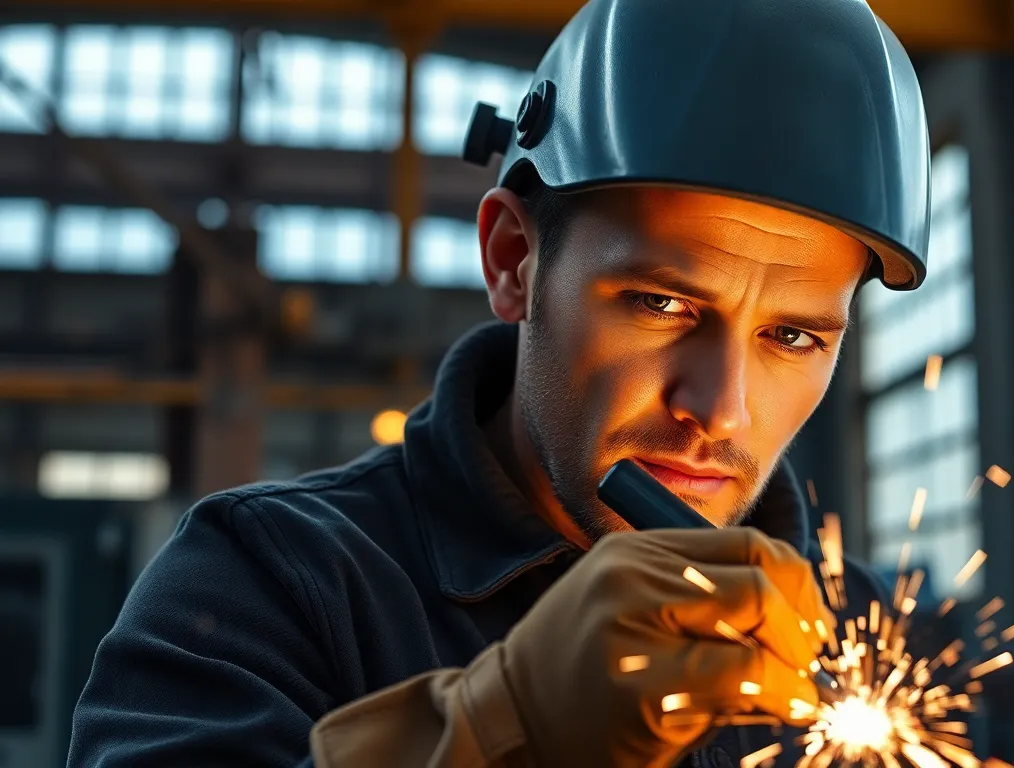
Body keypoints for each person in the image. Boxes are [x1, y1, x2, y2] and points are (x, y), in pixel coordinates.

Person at [67, 0, 932, 765]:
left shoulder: (859, 636)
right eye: (662, 304)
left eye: (792, 336)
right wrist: (505, 728)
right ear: (514, 260)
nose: (719, 409)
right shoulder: (271, 583)